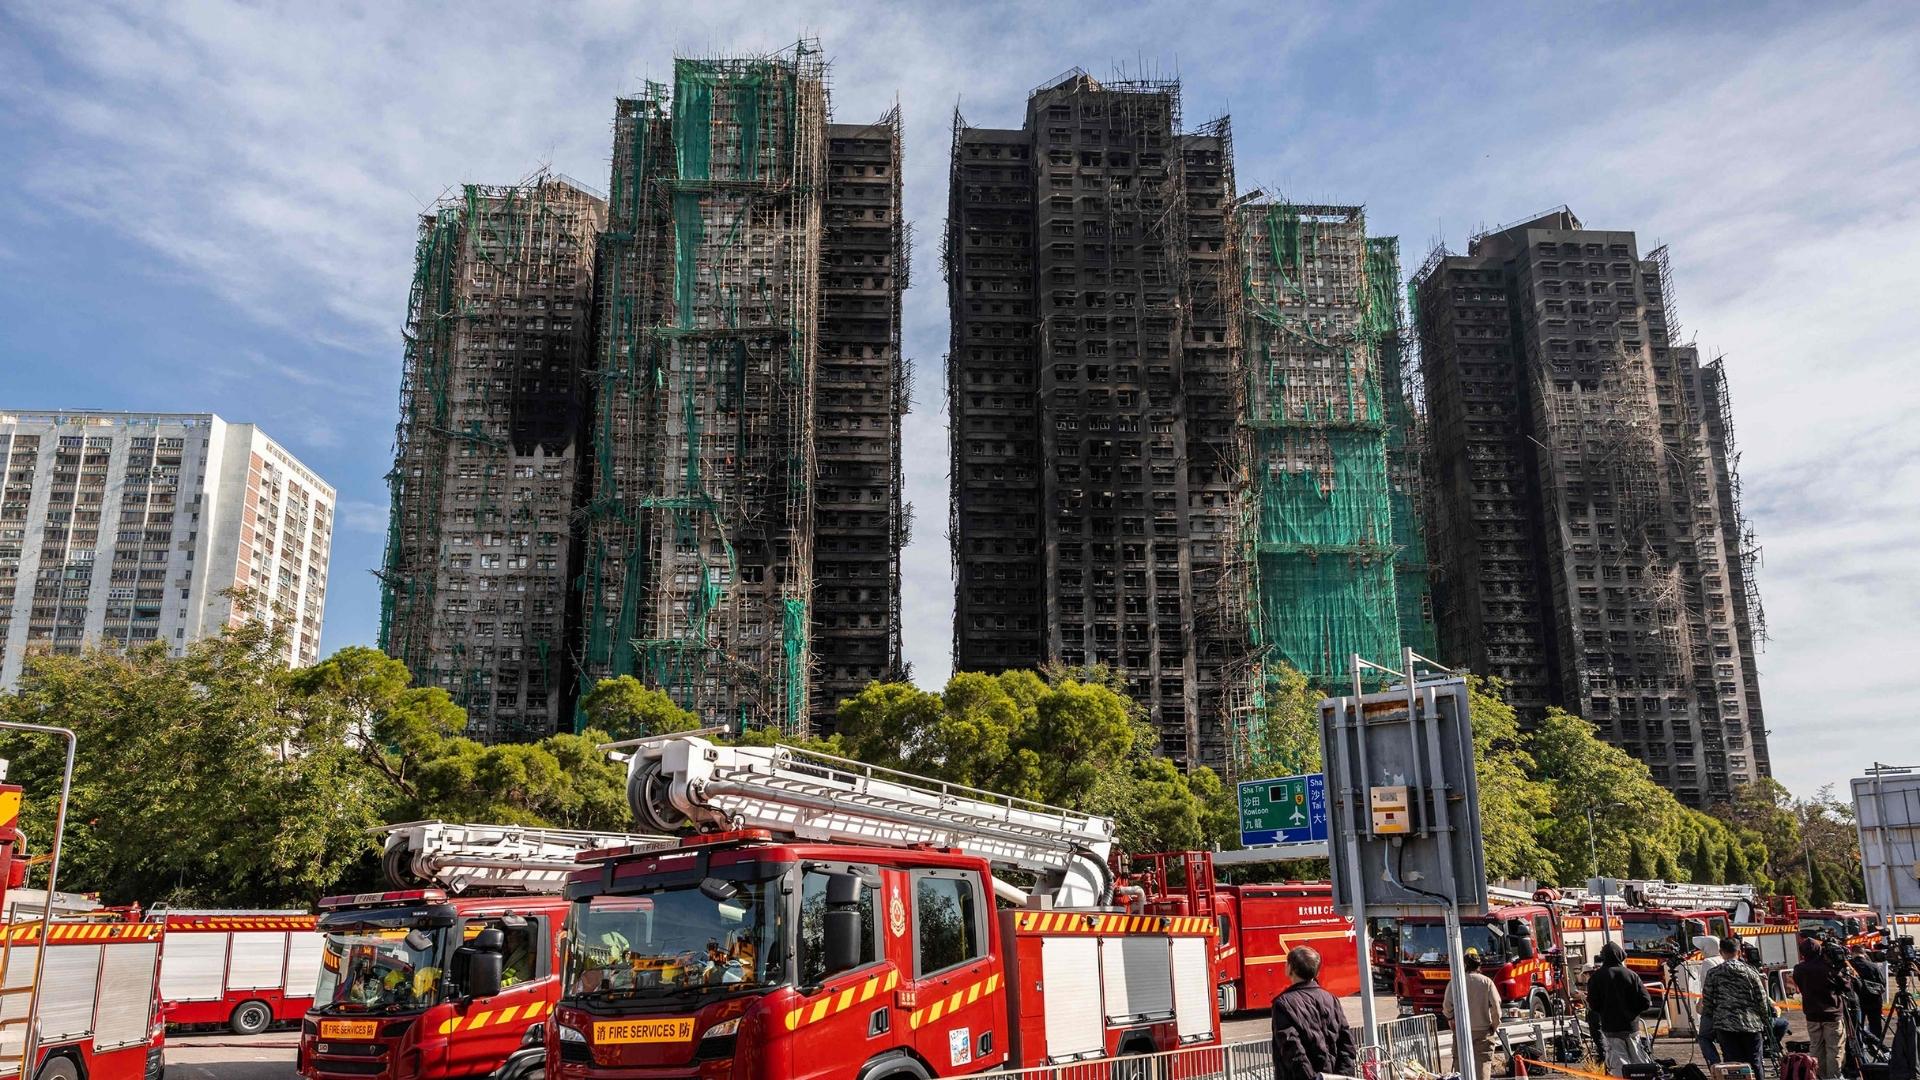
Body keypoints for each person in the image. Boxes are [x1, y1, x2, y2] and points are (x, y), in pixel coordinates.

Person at [1270, 945, 1358, 1080]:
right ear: (1316, 972)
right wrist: (1342, 1076)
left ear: (1290, 969)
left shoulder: (1283, 1003)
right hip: (1334, 1075)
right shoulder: (1331, 998)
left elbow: (1293, 1050)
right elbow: (1346, 1043)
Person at [1702, 936, 1775, 1080]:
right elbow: (1761, 999)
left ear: (1721, 952)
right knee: (1755, 1062)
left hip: (1725, 1025)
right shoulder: (1751, 972)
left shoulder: (1714, 973)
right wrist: (1766, 1021)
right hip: (1751, 1025)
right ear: (1739, 952)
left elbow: (1708, 1000)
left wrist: (1711, 1017)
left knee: (1732, 1065)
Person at [1589, 941, 1653, 1076]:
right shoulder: (1631, 975)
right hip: (1631, 1026)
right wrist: (1633, 1013)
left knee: (1618, 1064)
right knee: (1638, 1060)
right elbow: (1646, 1001)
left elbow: (1593, 1005)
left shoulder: (1596, 977)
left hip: (1610, 1026)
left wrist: (1605, 1012)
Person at [1794, 935, 1850, 1078]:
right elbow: (1845, 986)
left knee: (1816, 1047)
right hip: (1832, 1014)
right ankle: (1834, 1076)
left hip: (1812, 1014)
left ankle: (1818, 1075)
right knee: (1834, 1049)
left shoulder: (1799, 969)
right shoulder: (1828, 968)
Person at [1442, 948, 1503, 1080]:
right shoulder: (1487, 982)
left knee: (1461, 1070)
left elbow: (1447, 1007)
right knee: (1482, 1066)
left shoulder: (1455, 983)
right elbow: (1496, 1008)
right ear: (1479, 965)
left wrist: (1451, 1020)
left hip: (1461, 1032)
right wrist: (1494, 1025)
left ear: (1464, 964)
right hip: (1483, 1032)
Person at [1849, 945, 1886, 1044]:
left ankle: (1859, 1048)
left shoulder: (1850, 966)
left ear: (1852, 953)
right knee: (1876, 1026)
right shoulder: (1873, 966)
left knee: (1857, 1027)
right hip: (1874, 1000)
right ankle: (1877, 1047)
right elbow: (1883, 984)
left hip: (1857, 1002)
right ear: (1864, 953)